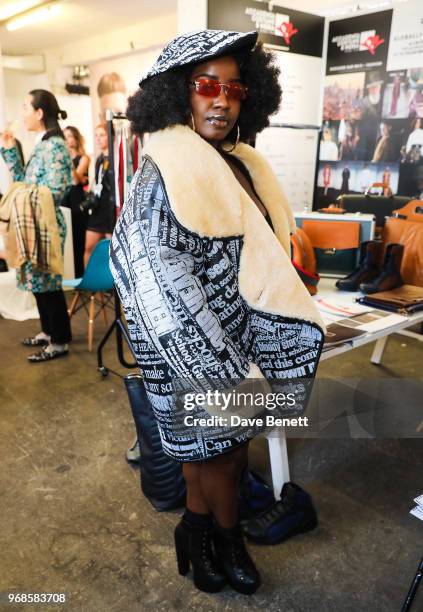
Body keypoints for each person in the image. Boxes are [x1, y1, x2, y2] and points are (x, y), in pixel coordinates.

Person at [110, 29, 325, 595]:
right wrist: (221, 370)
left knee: (221, 455)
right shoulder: (161, 173)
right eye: (207, 85)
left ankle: (200, 532)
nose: (222, 99)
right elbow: (154, 283)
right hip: (193, 352)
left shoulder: (240, 162)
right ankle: (223, 540)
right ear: (178, 93)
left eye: (234, 88)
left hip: (240, 341)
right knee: (217, 457)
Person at [0, 89, 73, 362]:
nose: (22, 114)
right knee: (39, 281)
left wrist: (24, 193)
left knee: (48, 281)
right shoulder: (43, 144)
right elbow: (23, 182)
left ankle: (60, 340)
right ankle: (48, 331)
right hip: (34, 222)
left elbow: (55, 189)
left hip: (45, 224)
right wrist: (9, 150)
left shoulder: (54, 145)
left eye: (25, 108)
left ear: (39, 113)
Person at [84, 123, 114, 266]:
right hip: (98, 207)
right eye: (96, 135)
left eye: (102, 135)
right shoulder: (99, 159)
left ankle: (112, 287)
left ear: (110, 136)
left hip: (111, 208)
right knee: (89, 247)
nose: (98, 139)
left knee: (112, 251)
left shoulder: (116, 158)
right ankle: (89, 287)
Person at [63, 126, 90, 277]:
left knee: (78, 237)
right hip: (64, 199)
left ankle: (80, 275)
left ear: (76, 138)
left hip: (77, 200)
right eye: (65, 136)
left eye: (70, 136)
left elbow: (75, 180)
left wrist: (68, 160)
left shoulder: (83, 158)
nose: (67, 140)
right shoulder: (61, 158)